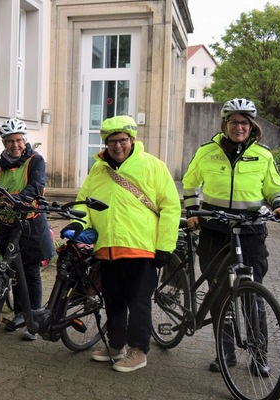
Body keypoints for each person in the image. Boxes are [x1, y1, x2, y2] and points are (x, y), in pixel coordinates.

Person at [61, 115, 180, 372]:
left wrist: (165, 246)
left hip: (142, 248)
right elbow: (84, 202)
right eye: (111, 141)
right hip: (107, 249)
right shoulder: (98, 169)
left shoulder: (153, 166)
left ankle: (139, 351)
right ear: (105, 143)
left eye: (122, 140)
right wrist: (79, 225)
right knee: (113, 299)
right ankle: (117, 345)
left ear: (132, 139)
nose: (117, 146)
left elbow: (171, 207)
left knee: (138, 302)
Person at [182, 98, 280, 374]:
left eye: (244, 122)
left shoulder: (263, 155)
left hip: (251, 232)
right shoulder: (207, 151)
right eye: (234, 122)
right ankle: (226, 353)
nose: (239, 127)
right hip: (215, 231)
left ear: (252, 126)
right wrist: (194, 211)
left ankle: (258, 356)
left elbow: (275, 186)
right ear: (225, 124)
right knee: (219, 295)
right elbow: (191, 182)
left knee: (252, 296)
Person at [0, 118, 56, 341]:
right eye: (9, 141)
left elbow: (36, 187)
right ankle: (20, 313)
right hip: (7, 224)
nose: (14, 145)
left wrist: (14, 199)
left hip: (30, 224)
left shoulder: (36, 161)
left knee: (30, 270)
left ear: (25, 140)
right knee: (13, 271)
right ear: (3, 142)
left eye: (18, 140)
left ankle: (33, 318)